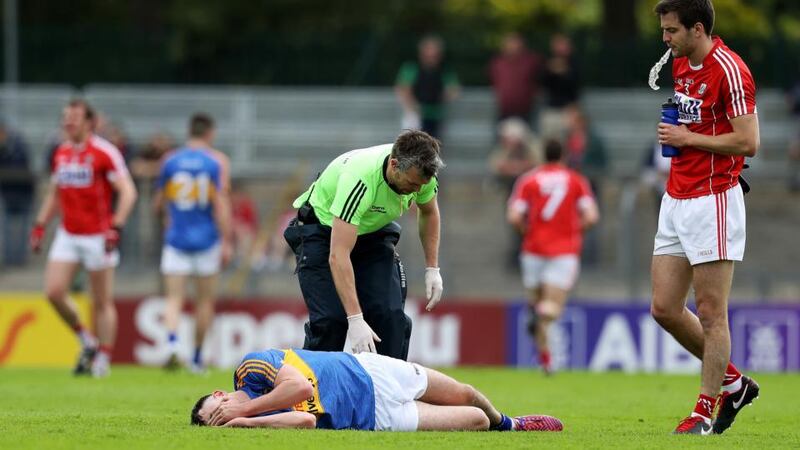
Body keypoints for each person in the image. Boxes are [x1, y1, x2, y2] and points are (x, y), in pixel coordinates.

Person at [652, 0, 760, 435]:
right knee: (663, 308)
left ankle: (703, 411)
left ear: (697, 29)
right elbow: (701, 125)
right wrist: (683, 137)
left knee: (712, 312)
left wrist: (687, 137)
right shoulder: (682, 65)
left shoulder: (730, 69)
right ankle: (734, 383)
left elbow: (748, 141)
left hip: (713, 199)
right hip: (676, 196)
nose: (665, 38)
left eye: (672, 30)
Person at [283, 130, 444, 361]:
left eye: (422, 185)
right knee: (331, 321)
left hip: (371, 232)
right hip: (323, 231)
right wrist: (356, 319)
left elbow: (428, 212)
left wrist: (432, 268)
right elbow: (338, 255)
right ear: (394, 165)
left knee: (389, 317)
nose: (417, 191)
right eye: (412, 183)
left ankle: (389, 394)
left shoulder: (423, 174)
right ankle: (314, 393)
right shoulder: (360, 180)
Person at [190, 347, 564, 432]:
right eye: (215, 423)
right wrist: (247, 425)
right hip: (374, 417)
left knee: (466, 393)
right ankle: (497, 425)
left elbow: (299, 385)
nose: (219, 418)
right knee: (474, 420)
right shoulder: (258, 421)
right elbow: (304, 421)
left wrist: (244, 411)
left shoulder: (249, 370)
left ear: (219, 394)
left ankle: (512, 424)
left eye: (214, 411)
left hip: (369, 371)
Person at [28, 99, 138, 377]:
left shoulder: (105, 152)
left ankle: (104, 357)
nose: (68, 122)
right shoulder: (62, 152)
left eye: (74, 117)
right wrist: (40, 224)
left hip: (98, 236)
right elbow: (55, 193)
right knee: (53, 292)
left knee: (101, 300)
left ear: (89, 122)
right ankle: (86, 339)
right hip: (69, 232)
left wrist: (117, 225)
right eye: (66, 117)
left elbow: (128, 191)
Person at [506, 139, 599, 375]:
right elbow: (591, 216)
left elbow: (515, 216)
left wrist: (527, 231)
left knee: (539, 309)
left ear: (542, 154)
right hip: (563, 252)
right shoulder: (575, 180)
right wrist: (574, 230)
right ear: (563, 155)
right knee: (552, 309)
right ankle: (539, 315)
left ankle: (546, 360)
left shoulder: (529, 180)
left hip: (532, 251)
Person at [153, 113, 232, 372]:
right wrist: (227, 240)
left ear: (190, 131)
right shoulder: (217, 161)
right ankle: (197, 358)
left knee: (174, 299)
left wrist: (167, 217)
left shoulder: (170, 160)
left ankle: (172, 346)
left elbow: (158, 201)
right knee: (204, 302)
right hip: (207, 240)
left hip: (176, 239)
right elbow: (221, 203)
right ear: (210, 133)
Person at [395, 35, 460, 139]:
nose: (431, 58)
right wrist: (413, 107)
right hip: (416, 115)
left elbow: (454, 90)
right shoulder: (411, 68)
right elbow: (403, 89)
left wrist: (443, 97)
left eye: (435, 55)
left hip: (435, 115)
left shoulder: (445, 71)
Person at [0, 119, 35, 266]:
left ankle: (19, 259)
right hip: (8, 194)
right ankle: (9, 259)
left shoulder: (17, 144)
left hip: (23, 194)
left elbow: (23, 167)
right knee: (7, 229)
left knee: (22, 230)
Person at [489, 32, 542, 126]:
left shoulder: (531, 61)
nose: (513, 46)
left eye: (516, 43)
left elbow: (538, 78)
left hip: (525, 110)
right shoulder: (498, 63)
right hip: (504, 109)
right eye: (510, 43)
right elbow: (495, 81)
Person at [539, 33, 581, 140]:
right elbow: (542, 83)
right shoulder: (548, 62)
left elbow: (575, 85)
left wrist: (564, 72)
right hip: (551, 108)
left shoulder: (574, 63)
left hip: (568, 109)